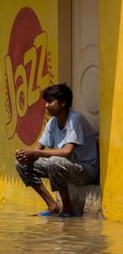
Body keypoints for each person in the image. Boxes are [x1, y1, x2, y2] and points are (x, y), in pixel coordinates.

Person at [15, 83, 98, 217]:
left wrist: (36, 153)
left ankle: (67, 208)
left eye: (50, 101)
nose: (46, 105)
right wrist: (24, 155)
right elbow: (38, 149)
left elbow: (67, 152)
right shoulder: (52, 123)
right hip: (66, 167)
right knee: (21, 165)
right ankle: (52, 205)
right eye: (46, 102)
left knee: (55, 162)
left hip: (85, 170)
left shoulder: (74, 119)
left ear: (63, 102)